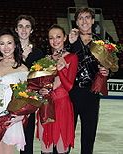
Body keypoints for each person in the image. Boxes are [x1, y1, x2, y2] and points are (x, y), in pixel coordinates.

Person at [68, 7, 109, 154]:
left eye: (87, 17)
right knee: (66, 136)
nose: (84, 21)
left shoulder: (101, 44)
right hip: (71, 94)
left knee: (89, 136)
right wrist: (71, 43)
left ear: (92, 20)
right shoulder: (70, 40)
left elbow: (104, 67)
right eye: (80, 18)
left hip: (92, 94)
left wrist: (106, 72)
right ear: (76, 22)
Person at [0, 28, 28, 154]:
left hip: (11, 115)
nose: (6, 47)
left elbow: (26, 96)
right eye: (2, 43)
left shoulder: (22, 68)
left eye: (9, 43)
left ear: (15, 45)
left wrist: (22, 115)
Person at [37, 24, 78, 154]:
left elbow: (69, 86)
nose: (55, 40)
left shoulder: (72, 57)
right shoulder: (45, 59)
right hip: (46, 105)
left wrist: (60, 70)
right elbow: (38, 83)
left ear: (65, 38)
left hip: (62, 106)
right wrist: (40, 90)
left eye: (58, 37)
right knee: (46, 146)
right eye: (51, 37)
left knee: (61, 147)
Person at [15, 14, 45, 154]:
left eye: (27, 27)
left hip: (29, 100)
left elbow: (41, 78)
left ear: (32, 30)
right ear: (16, 29)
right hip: (10, 98)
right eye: (20, 26)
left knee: (27, 140)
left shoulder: (38, 53)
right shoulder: (9, 50)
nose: (24, 30)